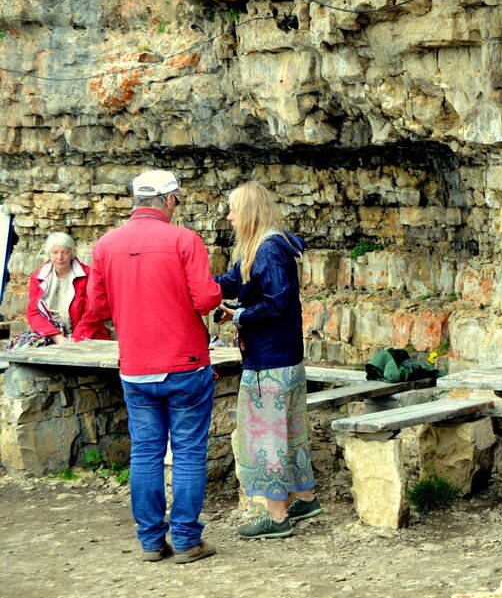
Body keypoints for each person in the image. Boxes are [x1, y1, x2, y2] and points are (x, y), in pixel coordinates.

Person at [73, 170, 221, 564]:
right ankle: (186, 540)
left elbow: (97, 307)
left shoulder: (105, 245)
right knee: (188, 451)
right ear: (169, 200)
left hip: (136, 366)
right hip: (186, 362)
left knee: (145, 453)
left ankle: (152, 541)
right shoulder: (183, 239)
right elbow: (206, 299)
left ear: (137, 200)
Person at [215, 181, 320, 539]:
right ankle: (305, 498)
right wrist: (195, 281)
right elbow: (231, 282)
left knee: (267, 437)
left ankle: (277, 517)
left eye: (234, 210)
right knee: (291, 431)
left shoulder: (268, 250)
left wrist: (239, 316)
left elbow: (277, 303)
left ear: (248, 213)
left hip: (269, 362)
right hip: (284, 356)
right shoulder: (262, 246)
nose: (230, 218)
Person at [7, 232, 109, 350]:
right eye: (55, 252)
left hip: (82, 334)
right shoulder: (38, 277)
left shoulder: (88, 275)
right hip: (51, 333)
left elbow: (92, 312)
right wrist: (56, 337)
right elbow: (33, 312)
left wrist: (74, 340)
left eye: (64, 252)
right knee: (19, 349)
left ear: (72, 253)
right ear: (49, 254)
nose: (60, 257)